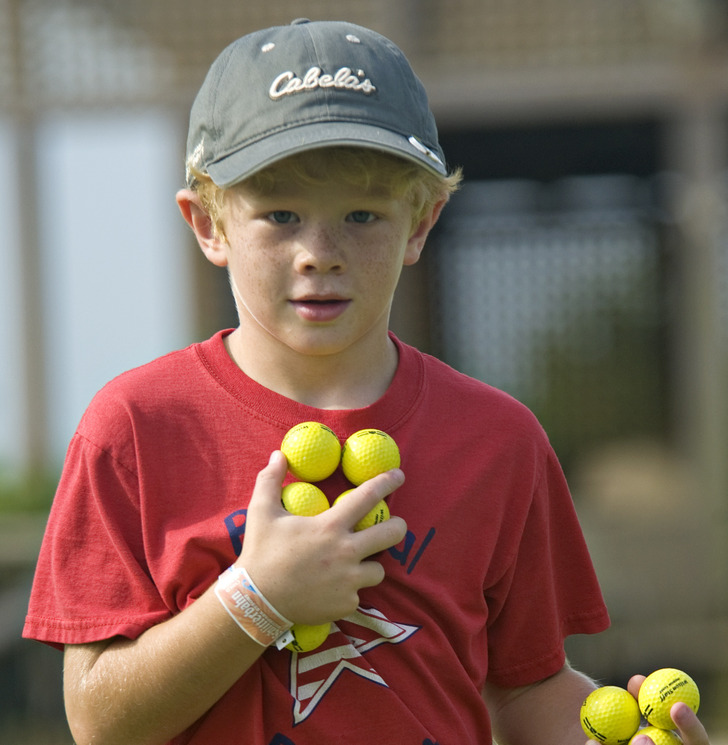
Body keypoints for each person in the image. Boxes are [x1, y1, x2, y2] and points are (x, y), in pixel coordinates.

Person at [23, 18, 713, 745]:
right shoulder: (135, 427)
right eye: (280, 215)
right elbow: (99, 721)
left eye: (361, 215)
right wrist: (257, 599)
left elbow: (529, 688)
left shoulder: (499, 441)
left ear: (421, 223)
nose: (319, 253)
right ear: (209, 225)